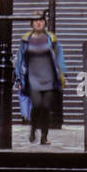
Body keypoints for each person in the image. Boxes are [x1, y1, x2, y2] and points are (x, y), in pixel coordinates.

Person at [15, 13, 66, 145]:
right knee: (37, 105)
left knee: (46, 107)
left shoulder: (51, 38)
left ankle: (44, 136)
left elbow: (59, 56)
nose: (38, 23)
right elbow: (20, 59)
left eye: (41, 21)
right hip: (33, 78)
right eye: (35, 21)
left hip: (49, 78)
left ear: (45, 23)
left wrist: (63, 74)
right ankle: (33, 129)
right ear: (31, 23)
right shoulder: (25, 39)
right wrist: (18, 78)